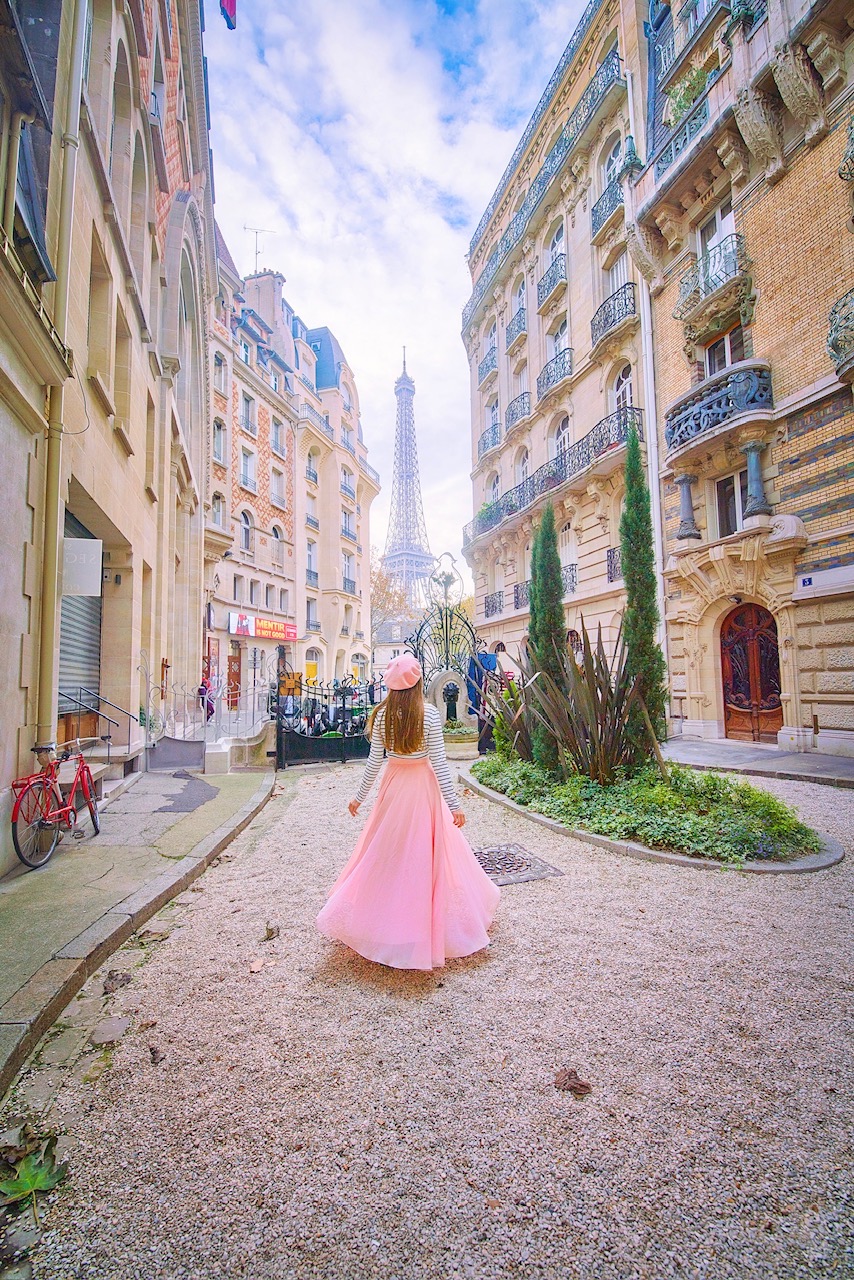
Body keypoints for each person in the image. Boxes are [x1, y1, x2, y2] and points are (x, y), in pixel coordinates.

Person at [316, 654, 499, 971]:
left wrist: (358, 799)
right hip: (421, 788)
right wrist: (454, 805)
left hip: (394, 785)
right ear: (417, 684)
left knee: (387, 850)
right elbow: (440, 764)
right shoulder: (428, 714)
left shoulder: (382, 715)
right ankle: (422, 919)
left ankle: (384, 917)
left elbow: (373, 763)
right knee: (423, 854)